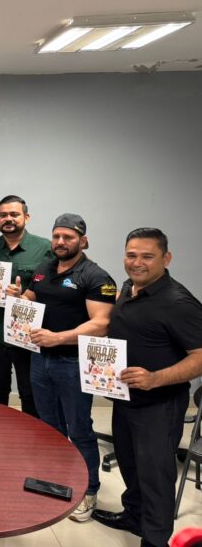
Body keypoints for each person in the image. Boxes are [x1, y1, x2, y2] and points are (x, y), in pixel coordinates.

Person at [92, 228, 202, 547]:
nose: (137, 262)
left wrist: (155, 378)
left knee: (156, 478)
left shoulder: (179, 302)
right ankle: (134, 516)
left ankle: (154, 540)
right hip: (126, 399)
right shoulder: (129, 288)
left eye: (147, 256)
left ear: (166, 258)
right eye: (131, 255)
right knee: (130, 465)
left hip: (159, 406)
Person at [13, 213, 116, 523]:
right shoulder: (44, 268)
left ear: (83, 241)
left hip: (73, 362)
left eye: (68, 237)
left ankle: (89, 490)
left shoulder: (96, 276)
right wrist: (17, 297)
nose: (60, 241)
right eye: (56, 236)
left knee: (79, 428)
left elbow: (101, 323)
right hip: (40, 358)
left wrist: (58, 338)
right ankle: (58, 478)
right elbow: (32, 297)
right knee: (49, 425)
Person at [0, 195, 52, 415]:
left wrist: (24, 297)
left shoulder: (44, 247)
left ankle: (31, 435)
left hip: (27, 334)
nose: (8, 219)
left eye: (14, 214)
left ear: (26, 217)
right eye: (3, 215)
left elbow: (52, 287)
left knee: (30, 392)